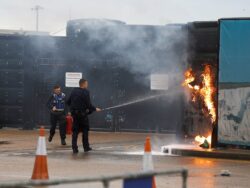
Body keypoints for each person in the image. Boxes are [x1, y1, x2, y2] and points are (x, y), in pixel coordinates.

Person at [67, 78, 101, 153]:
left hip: (75, 115)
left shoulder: (73, 91)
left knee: (75, 131)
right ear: (84, 84)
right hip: (82, 115)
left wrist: (72, 109)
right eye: (87, 83)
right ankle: (86, 147)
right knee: (85, 130)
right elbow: (88, 104)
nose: (87, 85)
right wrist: (95, 109)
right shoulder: (86, 92)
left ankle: (74, 148)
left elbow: (68, 102)